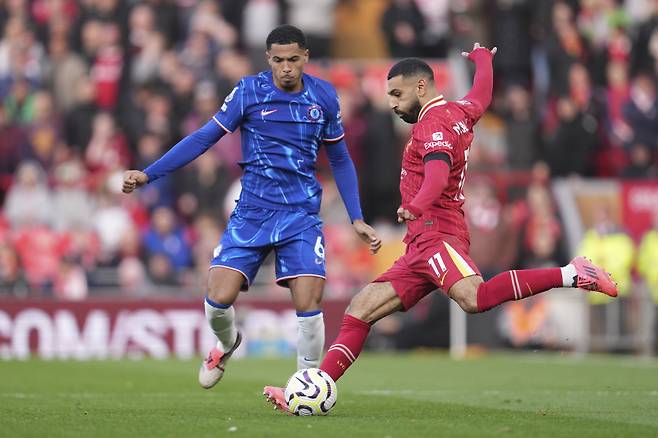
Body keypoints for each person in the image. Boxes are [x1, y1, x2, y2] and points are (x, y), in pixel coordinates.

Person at [263, 43, 618, 412]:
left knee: (474, 298)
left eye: (397, 94)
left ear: (421, 88)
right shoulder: (460, 111)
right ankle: (309, 391)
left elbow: (437, 172)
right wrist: (483, 60)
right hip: (420, 242)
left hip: (437, 232)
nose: (392, 104)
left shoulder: (433, 124)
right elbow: (481, 95)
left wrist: (415, 204)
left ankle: (572, 273)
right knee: (360, 309)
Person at [122, 25, 381, 389]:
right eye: (279, 60)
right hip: (253, 212)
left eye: (293, 59)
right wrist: (149, 175)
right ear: (268, 59)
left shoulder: (323, 96)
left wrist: (356, 217)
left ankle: (305, 386)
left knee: (309, 303)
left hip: (301, 215)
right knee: (217, 299)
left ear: (305, 57)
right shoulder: (249, 92)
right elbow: (203, 138)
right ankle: (227, 343)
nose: (286, 67)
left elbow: (339, 158)